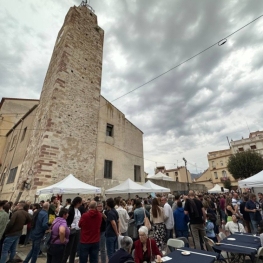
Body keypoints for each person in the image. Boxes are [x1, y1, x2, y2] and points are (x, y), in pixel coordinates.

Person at [62, 196, 82, 263]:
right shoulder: (70, 209)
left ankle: (71, 261)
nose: (81, 204)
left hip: (78, 229)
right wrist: (68, 226)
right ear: (78, 202)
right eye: (80, 202)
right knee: (68, 248)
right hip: (71, 229)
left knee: (74, 248)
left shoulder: (78, 210)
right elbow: (66, 219)